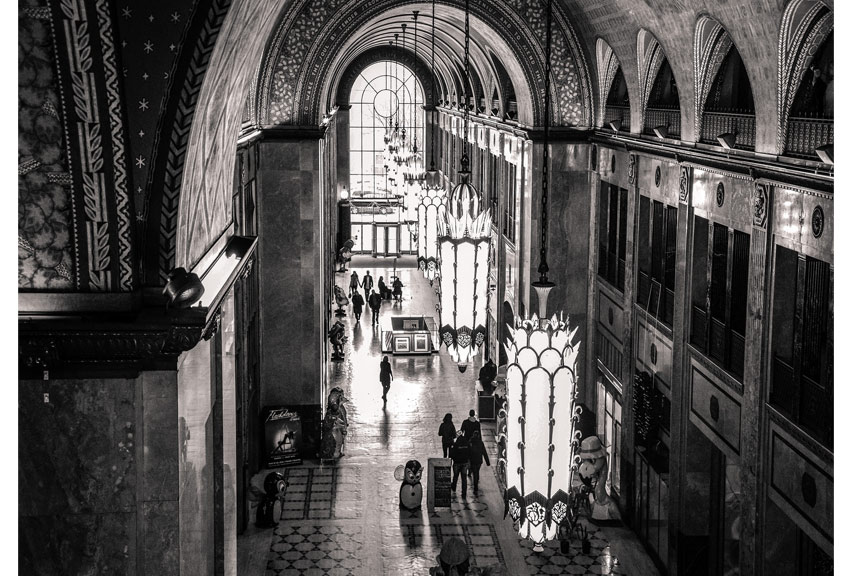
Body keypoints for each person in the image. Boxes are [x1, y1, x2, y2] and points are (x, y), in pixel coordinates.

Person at [468, 430, 490, 497]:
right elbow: (484, 452)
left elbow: (468, 451)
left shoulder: (470, 442)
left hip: (473, 460)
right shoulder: (481, 443)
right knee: (476, 472)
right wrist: (487, 462)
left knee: (475, 473)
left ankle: (475, 487)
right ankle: (476, 483)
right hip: (479, 461)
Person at [449, 433, 470, 499]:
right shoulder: (467, 444)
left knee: (455, 476)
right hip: (464, 463)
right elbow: (470, 453)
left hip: (457, 463)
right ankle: (464, 493)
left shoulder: (456, 445)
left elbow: (451, 454)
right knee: (464, 479)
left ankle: (454, 487)